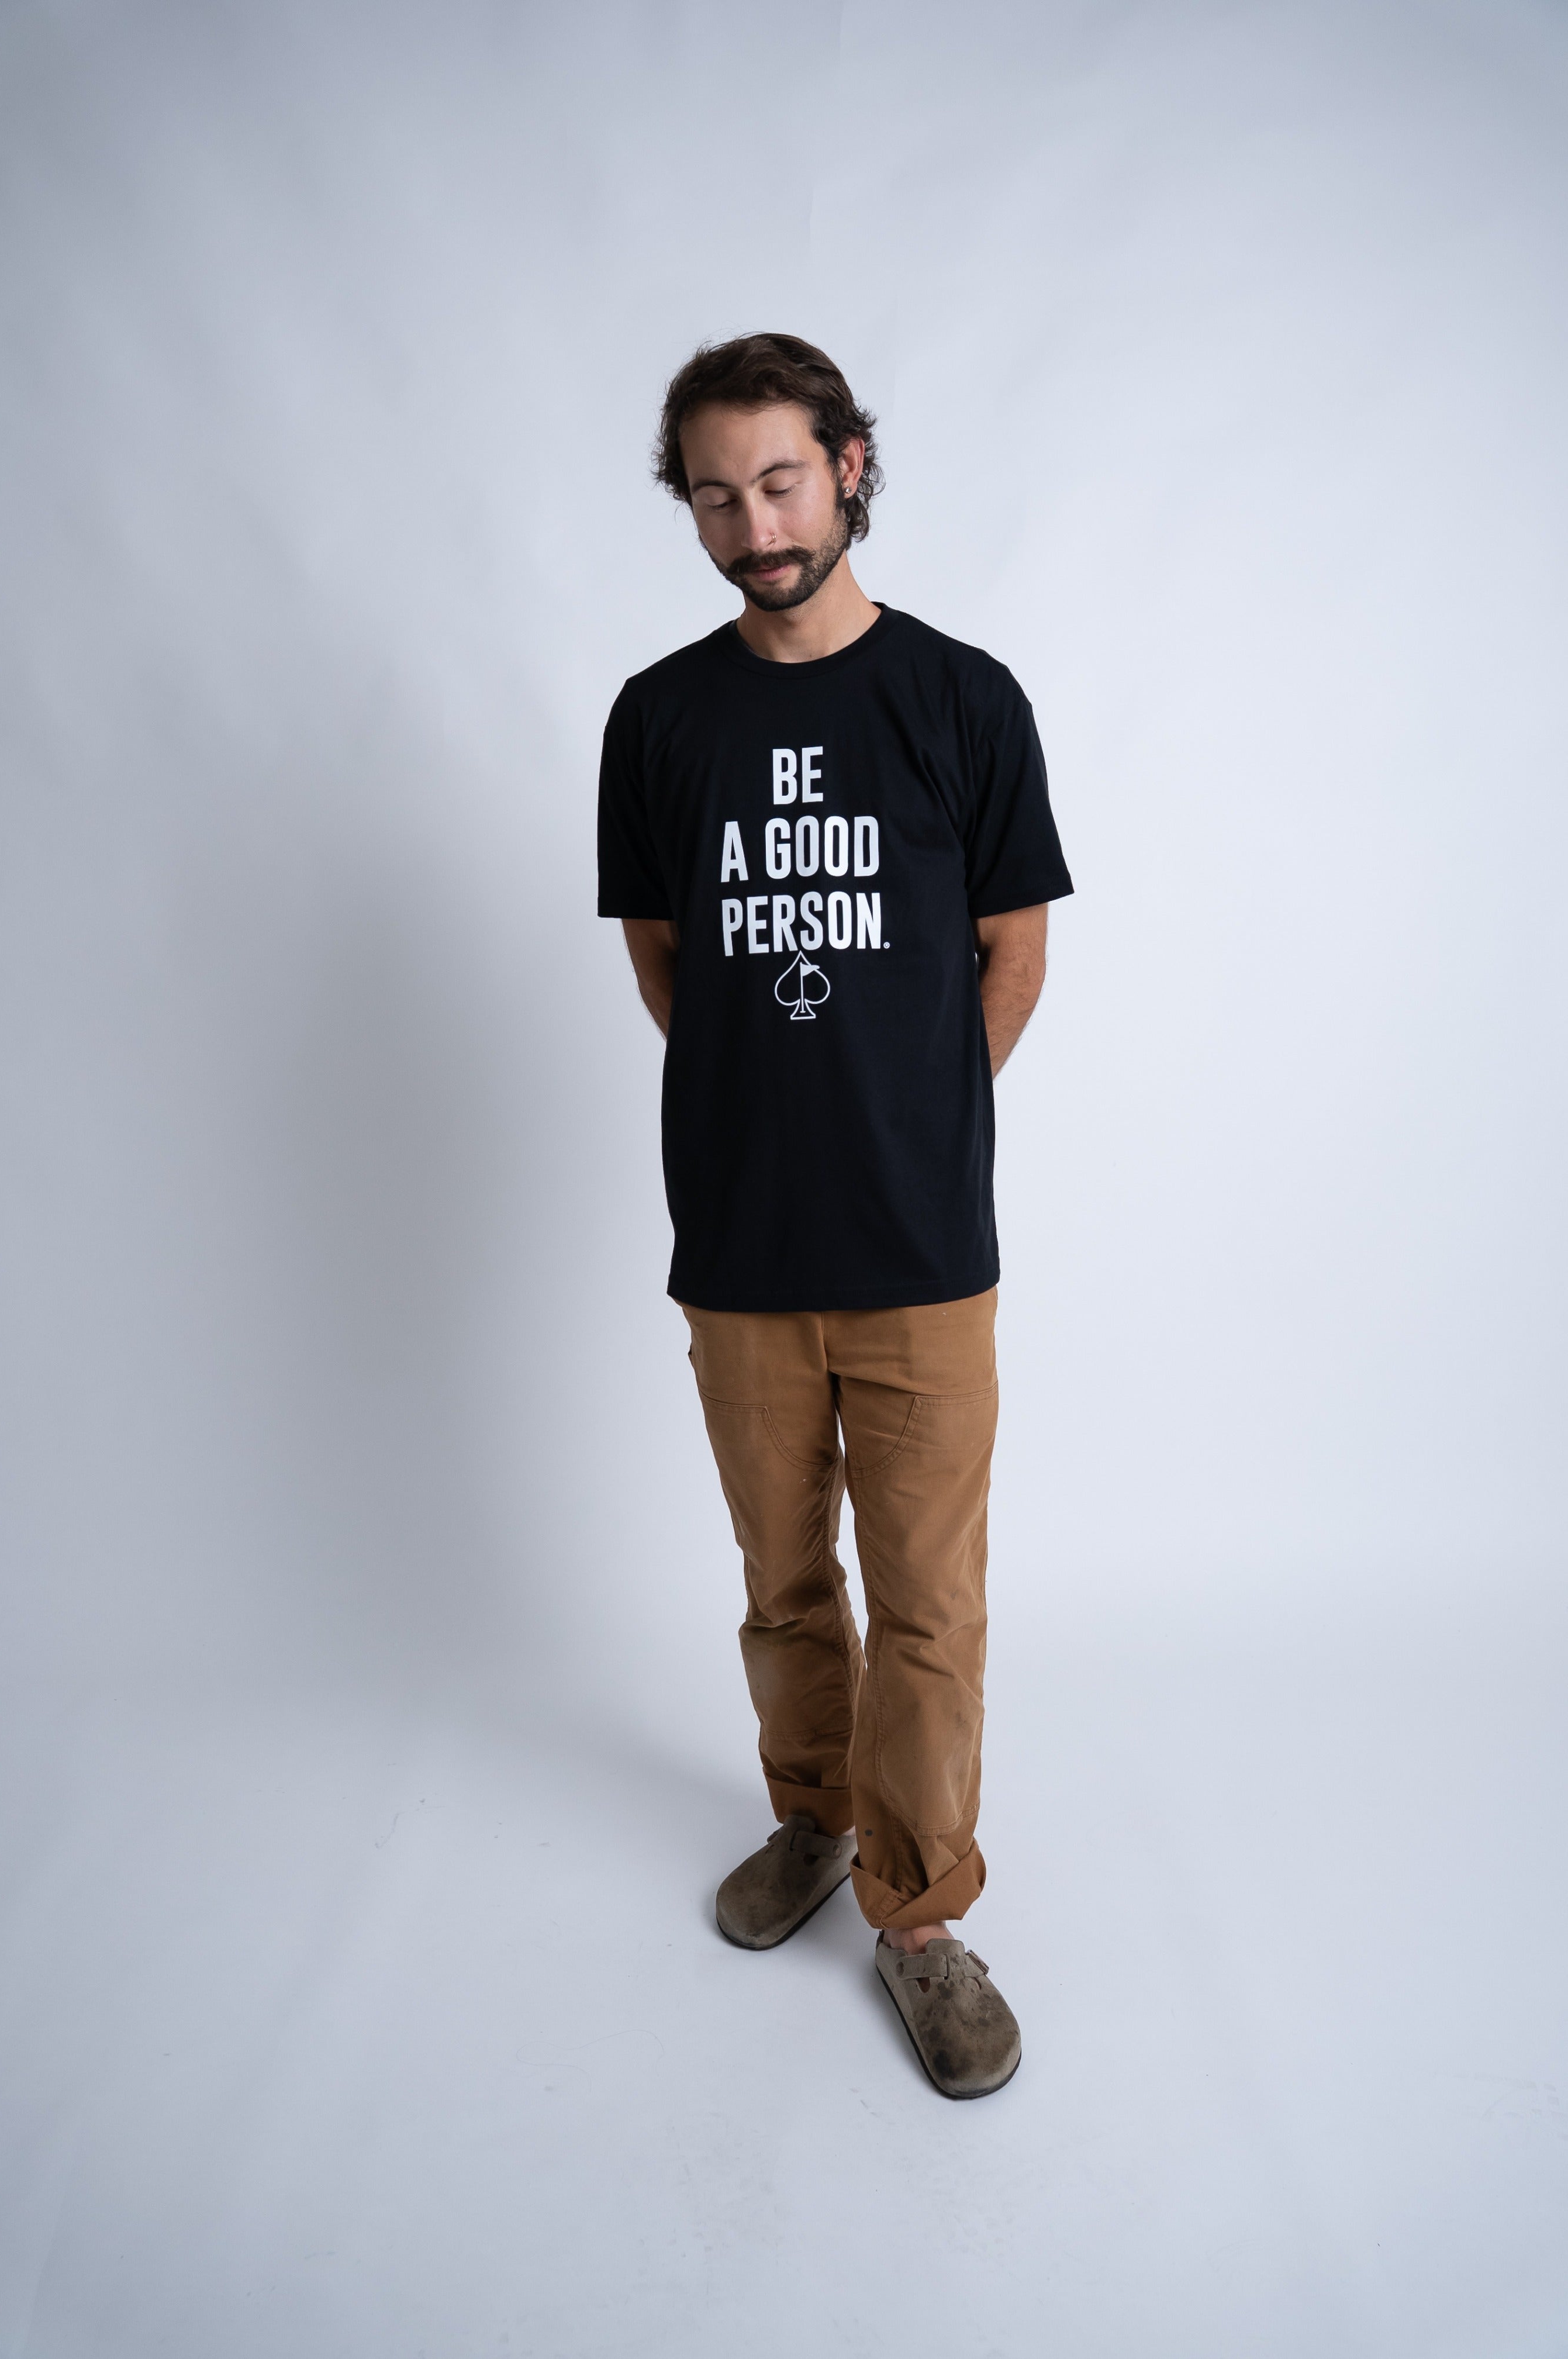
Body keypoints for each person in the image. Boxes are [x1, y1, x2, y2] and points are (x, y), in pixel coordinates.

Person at [597, 333, 1072, 2099]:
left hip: (921, 1248)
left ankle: (920, 1911)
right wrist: (774, 1100)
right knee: (785, 1579)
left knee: (927, 1597)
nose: (752, 522)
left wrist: (905, 1109)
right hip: (735, 1245)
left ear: (851, 466)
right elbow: (667, 957)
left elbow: (1013, 950)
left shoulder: (961, 701)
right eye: (716, 494)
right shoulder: (660, 718)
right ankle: (811, 1817)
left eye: (780, 480)